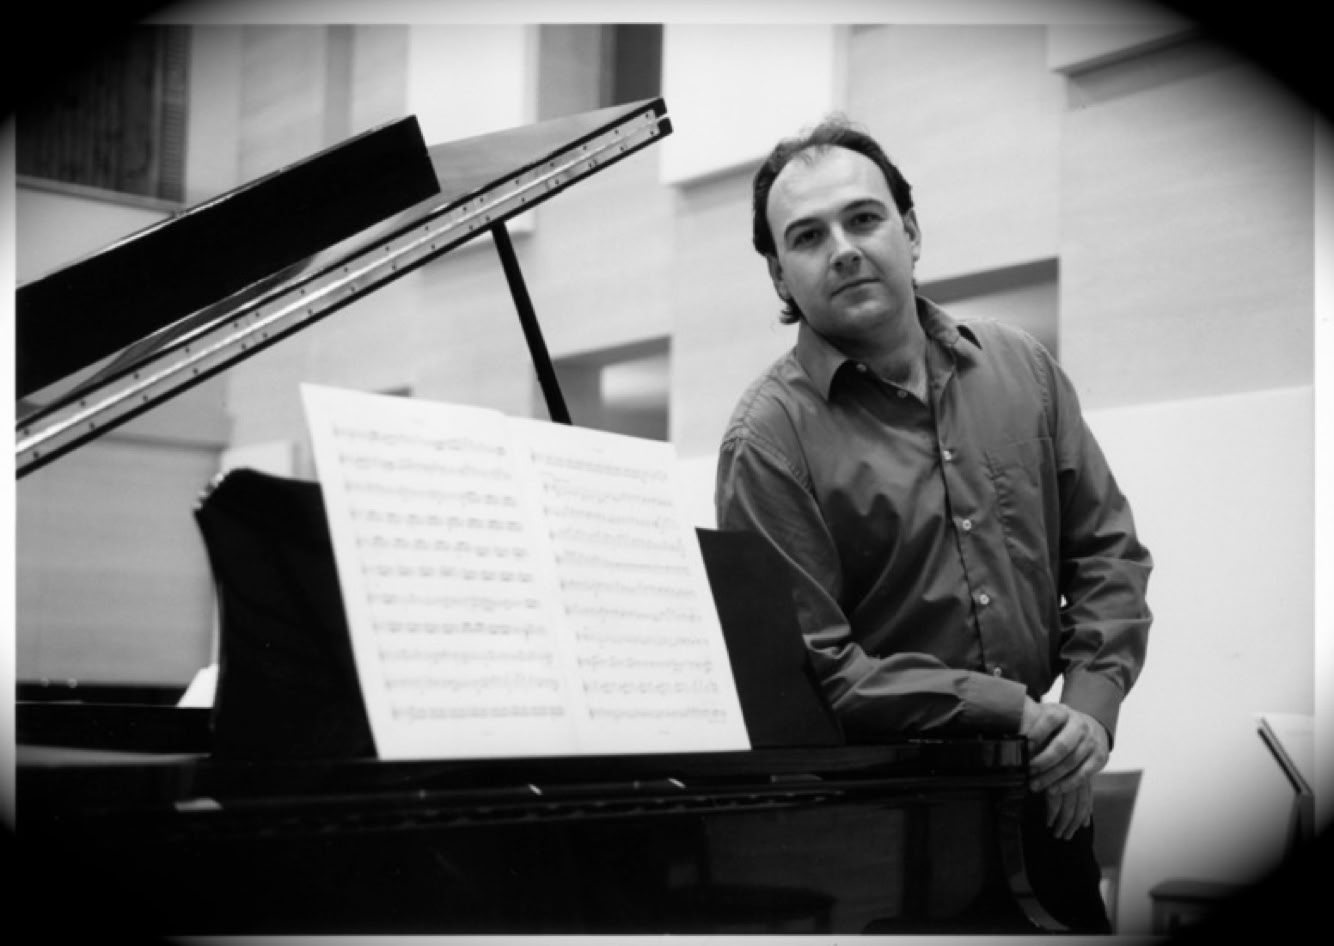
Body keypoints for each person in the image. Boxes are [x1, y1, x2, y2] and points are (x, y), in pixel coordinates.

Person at [714, 115, 1153, 934]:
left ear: (910, 232)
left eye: (864, 218)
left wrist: (1087, 715)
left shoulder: (1024, 369)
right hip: (882, 834)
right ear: (779, 276)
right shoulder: (767, 442)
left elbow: (1109, 558)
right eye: (807, 236)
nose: (843, 248)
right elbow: (819, 670)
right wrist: (1013, 712)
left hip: (1047, 792)